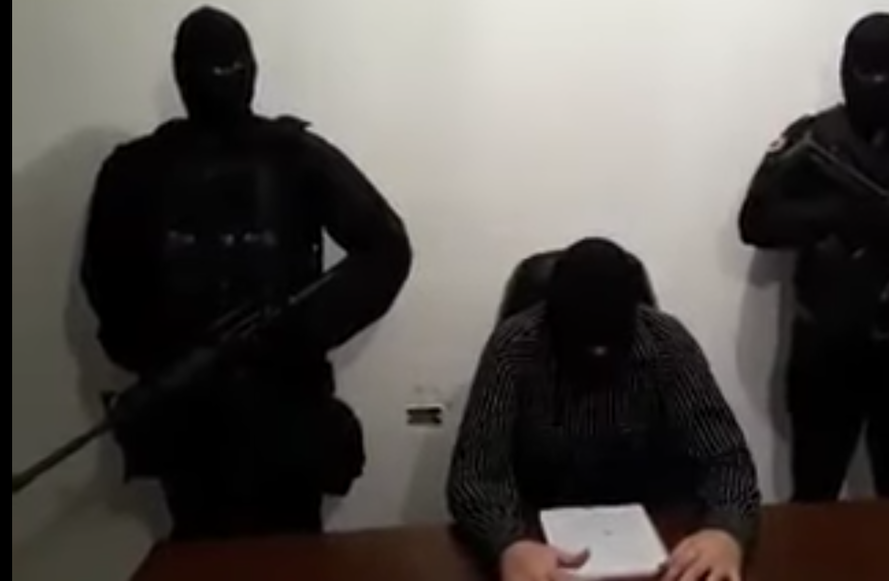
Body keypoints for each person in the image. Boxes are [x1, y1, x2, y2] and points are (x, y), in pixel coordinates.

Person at [81, 7, 412, 539]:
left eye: (230, 64)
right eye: (209, 66)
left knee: (291, 557)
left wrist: (299, 327)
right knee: (200, 554)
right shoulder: (135, 170)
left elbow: (387, 249)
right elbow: (107, 285)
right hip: (189, 415)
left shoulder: (295, 155)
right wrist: (172, 351)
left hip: (286, 407)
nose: (221, 80)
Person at [739, 13, 889, 503]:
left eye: (886, 72)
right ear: (845, 67)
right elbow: (757, 223)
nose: (874, 84)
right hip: (826, 348)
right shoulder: (813, 140)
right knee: (815, 493)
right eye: (863, 70)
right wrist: (838, 216)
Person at [447, 239, 761, 581]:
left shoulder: (667, 343)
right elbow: (476, 477)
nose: (596, 358)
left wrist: (726, 531)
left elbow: (725, 458)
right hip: (539, 543)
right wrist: (509, 543)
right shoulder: (514, 346)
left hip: (657, 543)